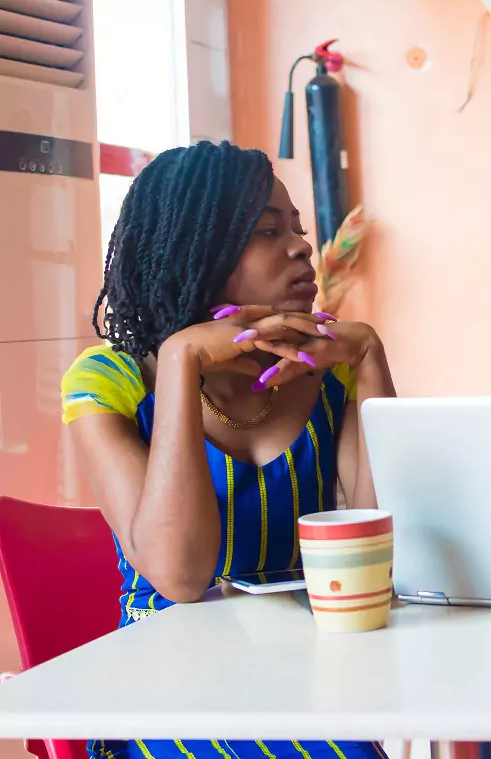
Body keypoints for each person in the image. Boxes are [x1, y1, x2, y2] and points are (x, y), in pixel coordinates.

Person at [62, 141, 395, 759]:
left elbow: (381, 558)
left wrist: (370, 355)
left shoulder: (333, 371)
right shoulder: (111, 381)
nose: (302, 246)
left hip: (311, 675)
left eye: (297, 226)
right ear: (198, 251)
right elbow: (181, 575)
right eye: (268, 231)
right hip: (170, 687)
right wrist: (182, 358)